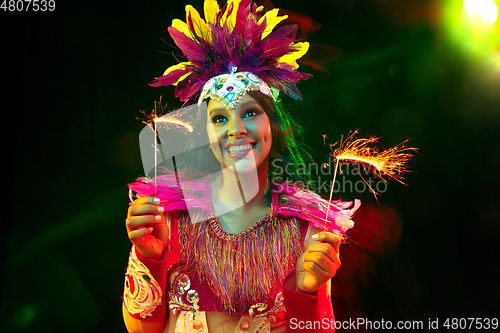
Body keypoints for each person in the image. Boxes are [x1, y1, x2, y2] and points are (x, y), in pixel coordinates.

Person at [122, 1, 360, 332]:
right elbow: (140, 328)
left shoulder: (307, 229)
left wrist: (307, 291)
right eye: (220, 118)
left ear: (272, 126)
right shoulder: (171, 215)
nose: (235, 129)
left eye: (249, 113)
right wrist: (149, 256)